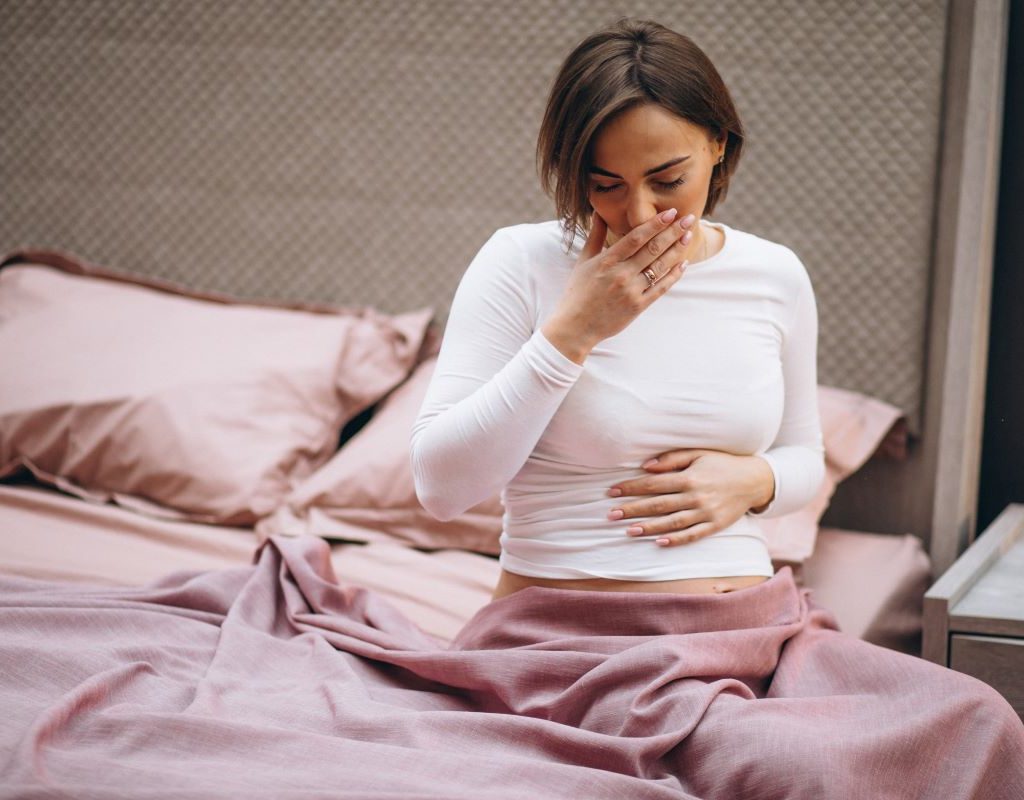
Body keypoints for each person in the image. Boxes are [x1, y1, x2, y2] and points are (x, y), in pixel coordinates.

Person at [411, 16, 824, 601]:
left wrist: (759, 479)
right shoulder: (521, 261)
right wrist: (573, 333)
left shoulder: (774, 274)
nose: (640, 214)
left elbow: (804, 454)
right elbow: (441, 488)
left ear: (718, 145)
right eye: (606, 186)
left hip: (741, 633)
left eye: (669, 180)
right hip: (557, 637)